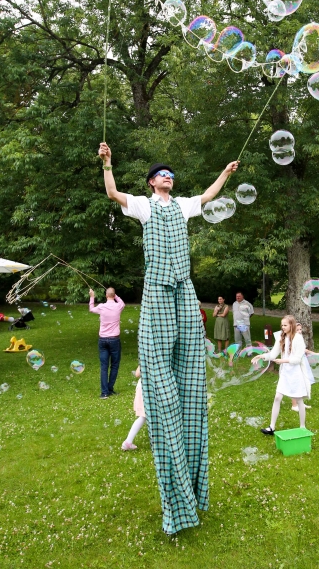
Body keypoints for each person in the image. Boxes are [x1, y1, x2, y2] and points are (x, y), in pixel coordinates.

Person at [98, 141, 238, 534]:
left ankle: (186, 391)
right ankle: (157, 387)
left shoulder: (183, 206)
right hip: (158, 288)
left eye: (171, 176)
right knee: (157, 353)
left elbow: (209, 196)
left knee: (190, 352)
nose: (168, 178)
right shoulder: (144, 206)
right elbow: (112, 193)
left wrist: (225, 173)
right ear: (151, 182)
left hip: (183, 287)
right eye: (163, 175)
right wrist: (108, 163)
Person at [253, 315, 311, 435]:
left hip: (295, 373)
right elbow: (273, 354)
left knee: (299, 400)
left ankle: (302, 427)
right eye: (282, 325)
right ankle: (271, 427)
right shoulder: (281, 337)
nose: (283, 327)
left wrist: (283, 361)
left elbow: (297, 359)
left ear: (292, 325)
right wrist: (262, 356)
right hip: (285, 373)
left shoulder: (298, 338)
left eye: (285, 325)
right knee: (277, 397)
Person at [89, 287, 125, 398]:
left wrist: (92, 297)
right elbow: (122, 302)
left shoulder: (101, 307)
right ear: (114, 296)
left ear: (106, 296)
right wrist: (116, 296)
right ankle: (109, 389)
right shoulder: (119, 306)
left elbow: (91, 309)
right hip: (114, 339)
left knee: (104, 366)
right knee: (114, 365)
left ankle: (105, 392)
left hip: (103, 340)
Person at [122, 366, 146, 451]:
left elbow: (137, 373)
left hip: (144, 388)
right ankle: (128, 442)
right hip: (146, 389)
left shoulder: (145, 355)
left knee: (146, 416)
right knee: (144, 416)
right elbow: (137, 374)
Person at [291, 323, 314, 412]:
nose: (300, 331)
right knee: (295, 383)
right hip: (295, 363)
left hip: (301, 362)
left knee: (301, 382)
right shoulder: (293, 339)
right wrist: (315, 353)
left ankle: (300, 403)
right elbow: (303, 350)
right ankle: (294, 405)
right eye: (297, 330)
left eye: (300, 330)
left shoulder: (299, 338)